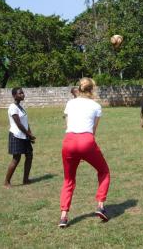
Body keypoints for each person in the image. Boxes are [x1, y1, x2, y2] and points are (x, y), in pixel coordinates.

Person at [59, 78, 110, 228]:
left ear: (79, 88)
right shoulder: (96, 106)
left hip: (69, 141)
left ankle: (63, 216)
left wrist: (78, 153)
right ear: (92, 89)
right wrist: (84, 152)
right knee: (104, 171)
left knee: (68, 179)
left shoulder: (70, 103)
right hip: (86, 141)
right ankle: (100, 206)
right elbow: (93, 131)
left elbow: (68, 124)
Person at [4, 87, 36, 188]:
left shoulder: (21, 107)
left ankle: (25, 179)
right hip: (16, 135)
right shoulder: (12, 107)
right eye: (20, 93)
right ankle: (6, 182)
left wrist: (29, 134)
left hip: (24, 135)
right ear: (14, 96)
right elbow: (18, 124)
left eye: (22, 93)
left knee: (29, 155)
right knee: (16, 159)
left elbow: (25, 123)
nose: (22, 94)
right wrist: (28, 134)